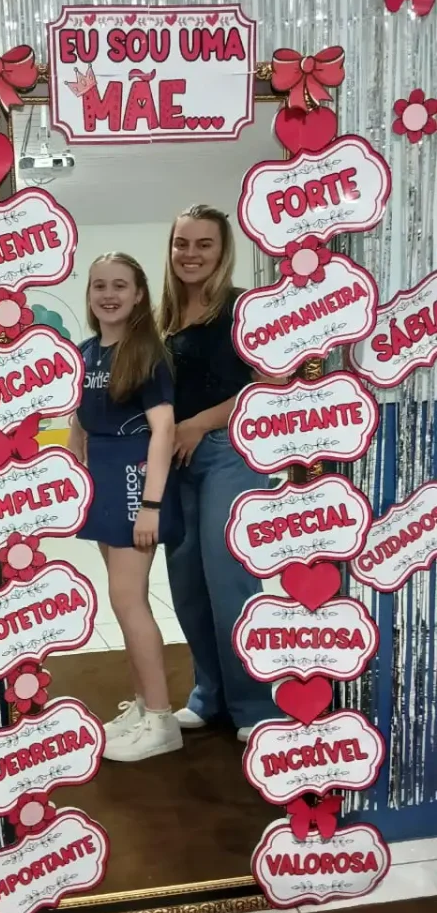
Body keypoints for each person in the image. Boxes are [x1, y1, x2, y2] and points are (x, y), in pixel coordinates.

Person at [159, 204, 276, 742]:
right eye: (182, 243)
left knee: (229, 580)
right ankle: (209, 695)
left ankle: (254, 703)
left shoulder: (243, 308)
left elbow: (268, 383)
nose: (191, 254)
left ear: (222, 251)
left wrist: (199, 424)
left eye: (203, 244)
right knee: (186, 584)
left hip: (229, 452)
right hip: (173, 462)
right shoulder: (161, 318)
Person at [68, 252, 183, 763]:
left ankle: (161, 720)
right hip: (102, 479)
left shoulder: (147, 354)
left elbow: (164, 430)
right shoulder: (86, 352)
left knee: (129, 599)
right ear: (89, 294)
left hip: (136, 479)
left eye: (120, 285)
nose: (108, 294)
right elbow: (79, 421)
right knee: (123, 601)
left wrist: (151, 504)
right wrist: (72, 466)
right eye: (99, 286)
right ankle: (142, 706)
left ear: (139, 295)